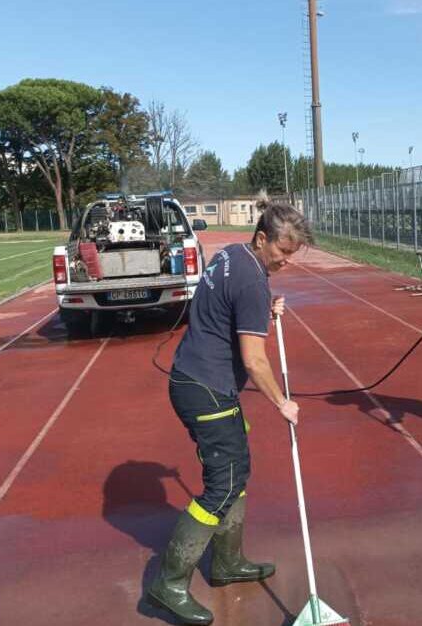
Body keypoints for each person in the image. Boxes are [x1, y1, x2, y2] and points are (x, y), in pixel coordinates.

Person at [149, 200, 313, 625]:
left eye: (292, 253)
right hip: (207, 389)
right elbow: (255, 361)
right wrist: (283, 403)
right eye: (283, 251)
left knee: (236, 470)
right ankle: (167, 585)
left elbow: (227, 308)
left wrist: (263, 311)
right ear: (262, 238)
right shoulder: (252, 281)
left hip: (200, 381)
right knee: (222, 486)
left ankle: (226, 562)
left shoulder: (232, 257)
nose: (286, 261)